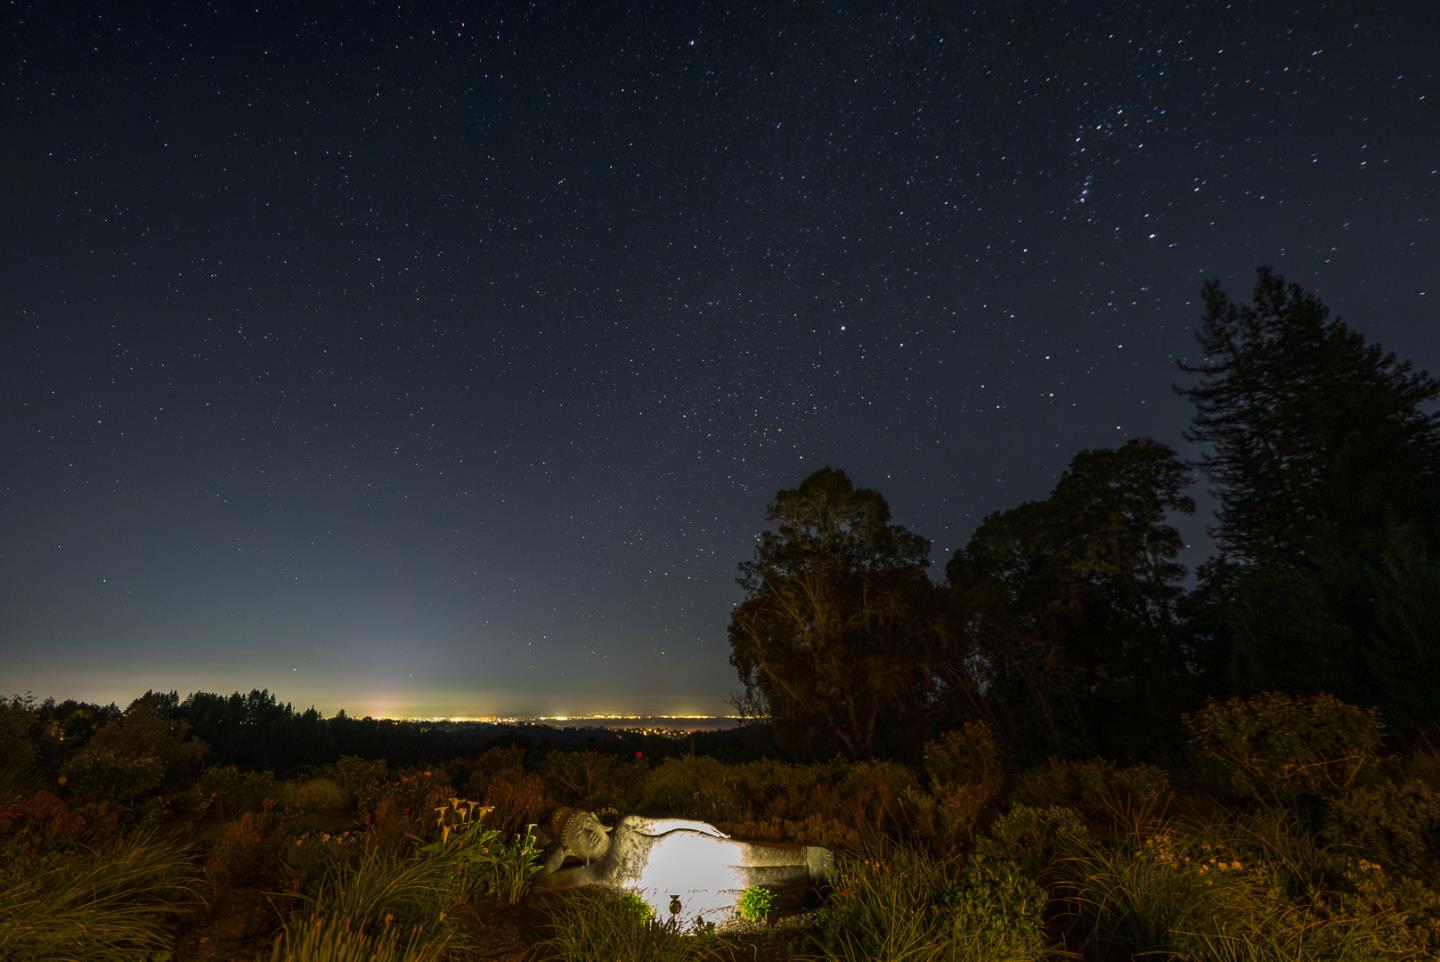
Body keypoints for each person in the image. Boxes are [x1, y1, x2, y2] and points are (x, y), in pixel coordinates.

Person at [534, 808, 833, 928]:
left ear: (596, 818)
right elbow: (543, 884)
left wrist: (701, 825)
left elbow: (665, 823)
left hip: (687, 845)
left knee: (749, 853)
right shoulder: (595, 873)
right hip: (681, 876)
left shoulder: (625, 826)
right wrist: (561, 852)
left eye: (587, 824)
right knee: (749, 878)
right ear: (574, 850)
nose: (589, 833)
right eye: (578, 838)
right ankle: (811, 874)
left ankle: (812, 856)